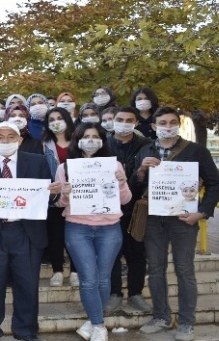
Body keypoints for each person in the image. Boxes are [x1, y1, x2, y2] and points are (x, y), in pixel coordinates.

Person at [133, 107, 219, 341]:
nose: (168, 126)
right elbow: (134, 185)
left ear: (178, 125)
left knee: (184, 270)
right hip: (153, 218)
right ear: (153, 126)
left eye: (173, 122)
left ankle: (186, 323)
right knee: (155, 269)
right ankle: (161, 316)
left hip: (184, 219)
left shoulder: (196, 151)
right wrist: (141, 170)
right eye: (162, 122)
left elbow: (215, 184)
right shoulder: (145, 150)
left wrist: (201, 213)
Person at [0, 122, 61, 341]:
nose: (5, 140)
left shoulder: (38, 162)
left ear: (20, 140)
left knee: (27, 284)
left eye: (11, 136)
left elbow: (46, 197)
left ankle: (26, 331)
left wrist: (54, 193)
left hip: (26, 232)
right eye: (0, 137)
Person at [55, 122, 132, 341]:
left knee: (104, 278)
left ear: (102, 140)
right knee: (88, 279)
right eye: (86, 136)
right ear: (77, 139)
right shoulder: (65, 168)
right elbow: (59, 204)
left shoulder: (115, 166)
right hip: (78, 228)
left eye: (95, 136)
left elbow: (125, 200)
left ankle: (92, 321)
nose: (91, 140)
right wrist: (66, 194)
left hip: (110, 228)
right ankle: (99, 326)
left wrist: (123, 183)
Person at [102, 107, 154, 314]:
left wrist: (140, 173)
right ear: (113, 121)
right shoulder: (103, 145)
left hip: (137, 209)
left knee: (137, 253)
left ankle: (136, 294)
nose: (124, 123)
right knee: (112, 253)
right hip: (108, 208)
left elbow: (151, 177)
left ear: (136, 122)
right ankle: (114, 294)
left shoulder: (147, 145)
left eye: (129, 120)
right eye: (120, 119)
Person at [41, 107, 77, 287]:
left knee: (75, 234)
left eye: (59, 118)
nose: (56, 122)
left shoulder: (79, 141)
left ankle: (75, 271)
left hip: (78, 196)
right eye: (51, 119)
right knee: (55, 235)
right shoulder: (43, 144)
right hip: (54, 197)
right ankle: (57, 270)